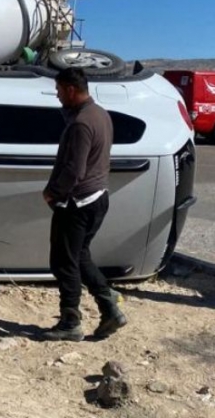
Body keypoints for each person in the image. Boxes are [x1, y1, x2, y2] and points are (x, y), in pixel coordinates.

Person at [42, 67, 127, 342]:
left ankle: (70, 321)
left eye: (58, 90)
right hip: (98, 197)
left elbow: (75, 169)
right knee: (79, 255)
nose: (57, 96)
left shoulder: (81, 123)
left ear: (70, 89)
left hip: (77, 202)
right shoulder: (100, 114)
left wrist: (53, 192)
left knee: (64, 262)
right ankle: (108, 306)